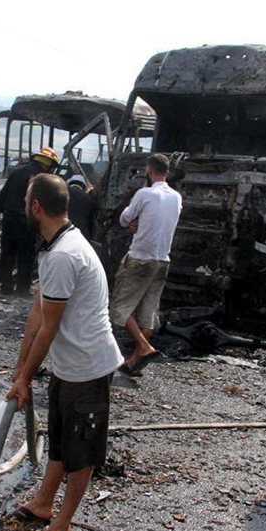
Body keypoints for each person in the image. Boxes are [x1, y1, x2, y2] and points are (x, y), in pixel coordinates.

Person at [4, 173, 123, 531]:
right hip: (68, 366)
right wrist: (20, 371)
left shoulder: (64, 254)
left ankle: (62, 527)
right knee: (59, 439)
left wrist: (25, 379)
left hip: (88, 366)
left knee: (80, 451)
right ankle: (42, 504)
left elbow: (48, 329)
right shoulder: (53, 248)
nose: (24, 206)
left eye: (26, 200)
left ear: (35, 207)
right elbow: (36, 316)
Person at [110, 154, 183, 373]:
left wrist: (133, 220)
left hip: (140, 257)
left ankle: (143, 346)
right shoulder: (177, 197)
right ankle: (134, 362)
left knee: (119, 307)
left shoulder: (145, 193)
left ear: (149, 170)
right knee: (148, 312)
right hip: (163, 260)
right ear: (167, 172)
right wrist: (139, 223)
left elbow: (124, 218)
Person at [0, 148, 59, 295]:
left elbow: (4, 193)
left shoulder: (16, 172)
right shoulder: (42, 179)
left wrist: (2, 211)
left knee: (7, 253)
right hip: (26, 220)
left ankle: (5, 287)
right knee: (25, 255)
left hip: (9, 217)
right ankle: (22, 288)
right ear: (48, 165)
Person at [66, 174, 96, 240]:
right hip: (81, 236)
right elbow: (91, 223)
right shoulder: (89, 199)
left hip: (61, 232)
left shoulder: (62, 192)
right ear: (83, 186)